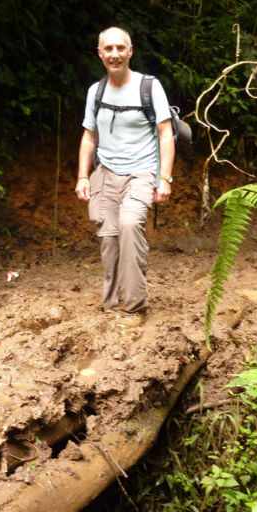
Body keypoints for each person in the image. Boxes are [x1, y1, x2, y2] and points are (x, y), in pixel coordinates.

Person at [75, 26, 174, 315]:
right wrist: (83, 176)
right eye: (109, 49)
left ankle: (134, 306)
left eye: (121, 48)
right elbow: (88, 137)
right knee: (109, 238)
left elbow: (165, 134)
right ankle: (111, 306)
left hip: (142, 172)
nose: (115, 54)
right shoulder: (96, 91)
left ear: (130, 52)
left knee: (130, 224)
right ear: (100, 53)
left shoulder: (149, 87)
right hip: (105, 173)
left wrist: (164, 179)